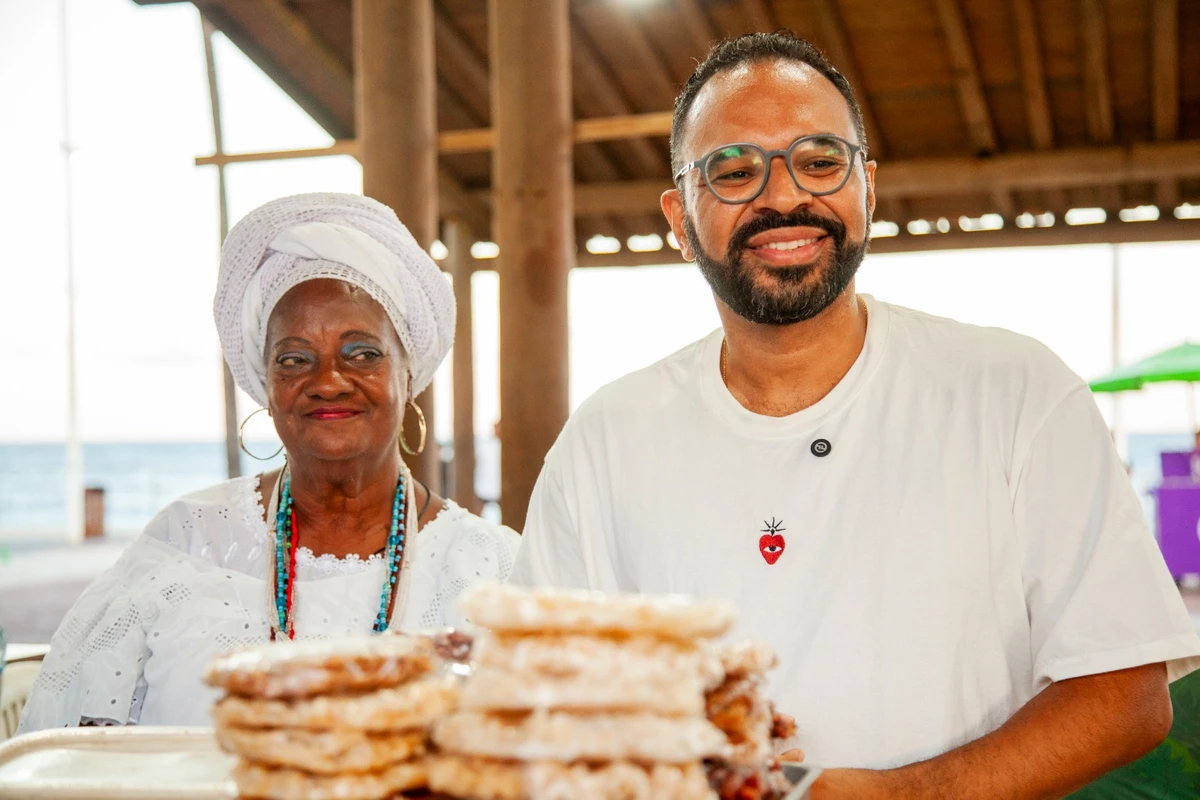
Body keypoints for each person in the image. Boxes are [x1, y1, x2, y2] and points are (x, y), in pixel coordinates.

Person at [510, 32, 1200, 799]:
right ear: (679, 216)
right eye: (733, 170)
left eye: (819, 160)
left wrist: (898, 796)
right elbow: (542, 700)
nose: (781, 197)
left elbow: (1126, 696)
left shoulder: (1015, 392)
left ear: (867, 187)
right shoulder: (605, 442)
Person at [20, 193, 520, 732]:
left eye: (363, 353)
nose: (328, 380)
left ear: (407, 374)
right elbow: (70, 743)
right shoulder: (186, 538)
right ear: (268, 386)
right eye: (294, 359)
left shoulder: (492, 567)